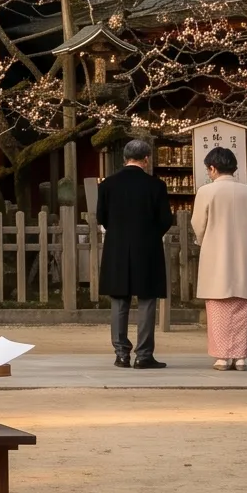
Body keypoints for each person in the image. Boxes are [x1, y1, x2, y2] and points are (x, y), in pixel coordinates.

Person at [96, 137, 173, 370]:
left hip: (117, 248)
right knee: (147, 301)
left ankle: (121, 353)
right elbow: (165, 220)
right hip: (147, 248)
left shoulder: (108, 184)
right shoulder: (156, 185)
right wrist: (150, 233)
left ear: (125, 158)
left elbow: (102, 218)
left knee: (119, 300)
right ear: (147, 159)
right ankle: (144, 354)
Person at [193, 145, 247, 370]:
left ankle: (222, 356)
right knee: (242, 307)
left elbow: (198, 225)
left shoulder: (206, 192)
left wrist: (205, 239)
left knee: (217, 306)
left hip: (216, 255)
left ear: (212, 168)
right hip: (243, 254)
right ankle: (240, 357)